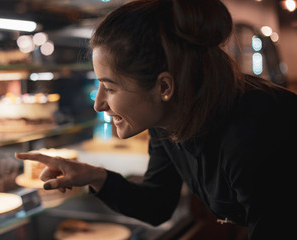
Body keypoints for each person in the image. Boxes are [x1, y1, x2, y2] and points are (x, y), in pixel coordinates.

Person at [16, 0, 297, 239]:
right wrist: (93, 176)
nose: (99, 103)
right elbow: (156, 205)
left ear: (164, 87)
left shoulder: (256, 132)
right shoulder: (170, 120)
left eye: (110, 87)